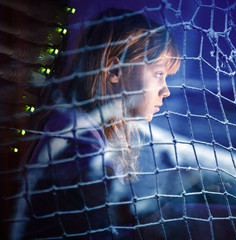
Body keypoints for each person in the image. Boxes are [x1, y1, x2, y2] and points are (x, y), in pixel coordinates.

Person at [10, 8, 180, 240]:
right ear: (114, 70)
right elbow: (114, 219)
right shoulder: (79, 138)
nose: (166, 91)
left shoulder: (92, 131)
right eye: (159, 74)